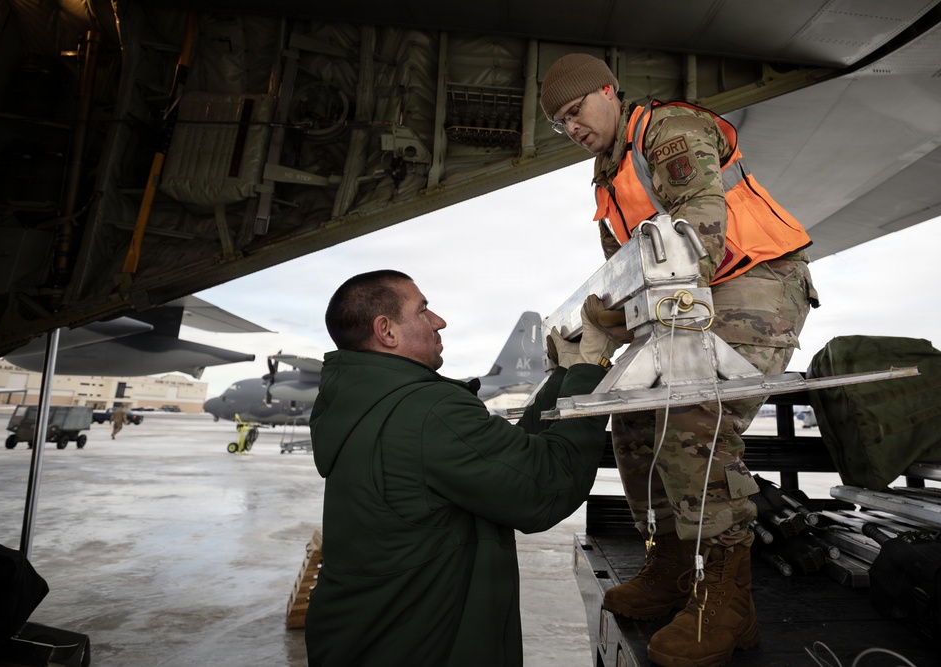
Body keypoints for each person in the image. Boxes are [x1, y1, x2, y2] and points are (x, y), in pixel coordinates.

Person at [539, 54, 820, 667]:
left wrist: (636, 310)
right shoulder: (606, 176)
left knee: (693, 420)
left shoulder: (667, 131)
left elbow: (701, 229)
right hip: (688, 299)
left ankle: (728, 599)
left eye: (576, 111)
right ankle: (669, 565)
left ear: (609, 92)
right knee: (637, 418)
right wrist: (595, 321)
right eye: (561, 123)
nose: (573, 128)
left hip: (757, 280)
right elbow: (623, 270)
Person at [303, 269, 622, 667]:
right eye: (423, 311)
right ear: (387, 331)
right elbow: (544, 486)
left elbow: (511, 460)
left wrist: (565, 375)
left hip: (367, 640)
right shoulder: (426, 411)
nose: (439, 321)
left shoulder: (369, 402)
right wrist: (591, 367)